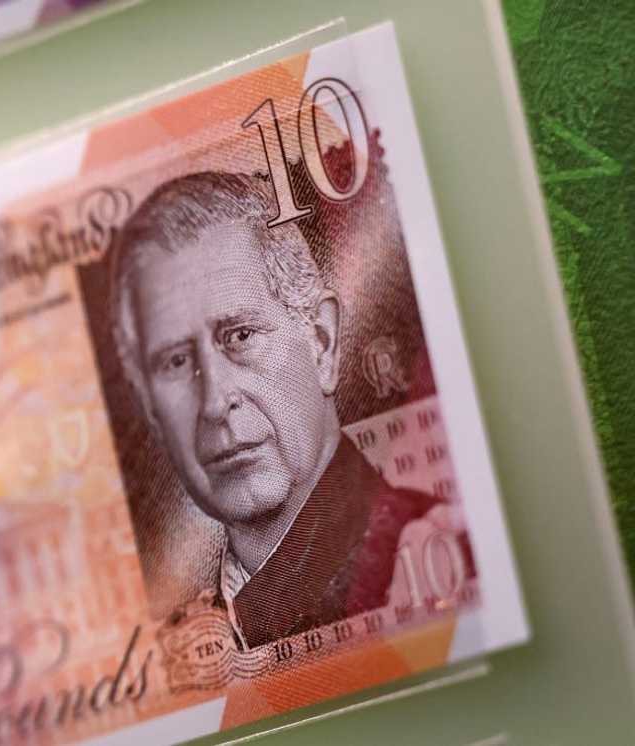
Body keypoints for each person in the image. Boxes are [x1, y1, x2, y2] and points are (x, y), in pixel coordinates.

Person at [109, 171, 437, 650]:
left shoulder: (434, 547)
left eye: (240, 336)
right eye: (177, 361)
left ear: (322, 344)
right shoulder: (178, 636)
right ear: (151, 410)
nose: (216, 401)